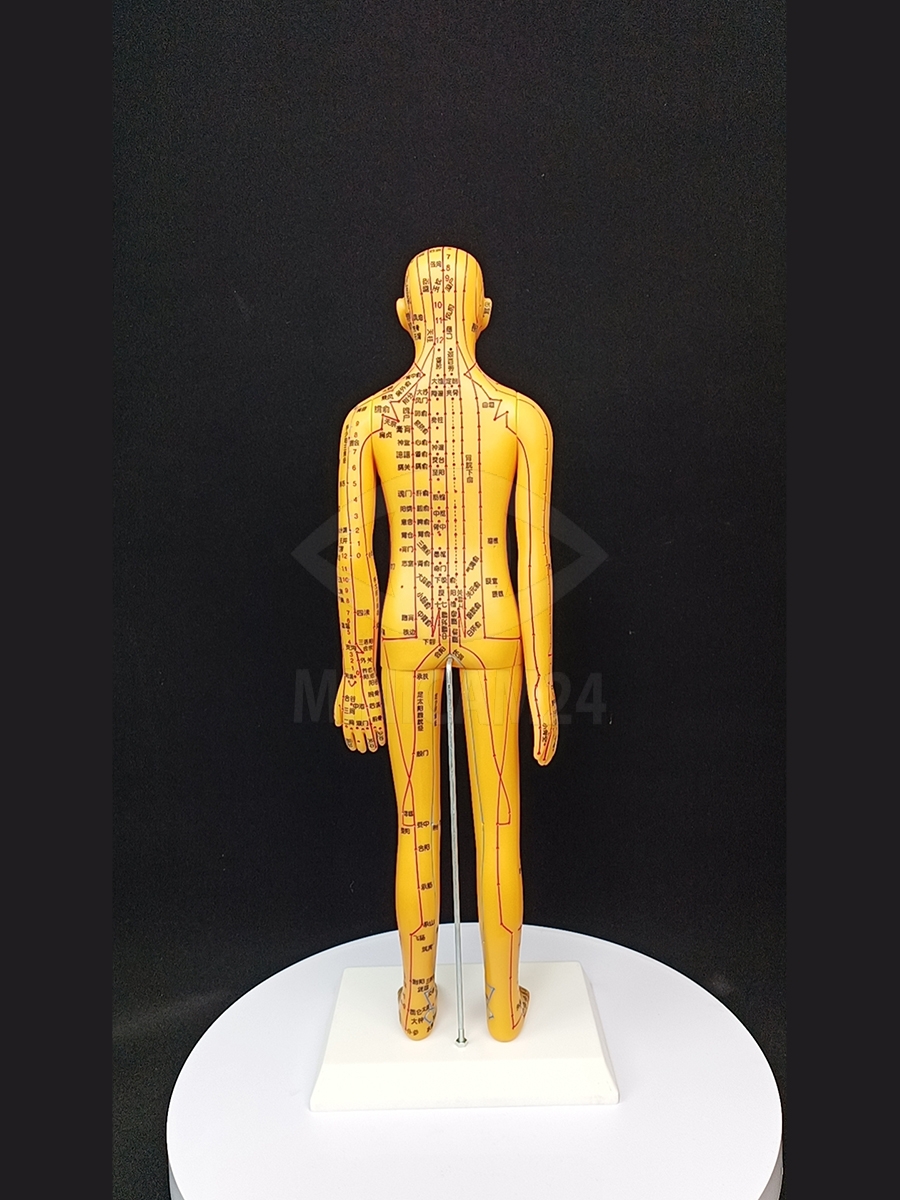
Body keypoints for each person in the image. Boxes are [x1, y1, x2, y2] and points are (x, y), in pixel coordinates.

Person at [334, 246, 557, 1042]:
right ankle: (500, 1010)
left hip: (404, 623)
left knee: (414, 822)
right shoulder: (523, 419)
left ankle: (419, 1003)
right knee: (499, 823)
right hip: (494, 619)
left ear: (405, 316)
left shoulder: (366, 422)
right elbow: (534, 559)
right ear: (483, 316)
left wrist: (357, 675)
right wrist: (543, 684)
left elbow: (354, 557)